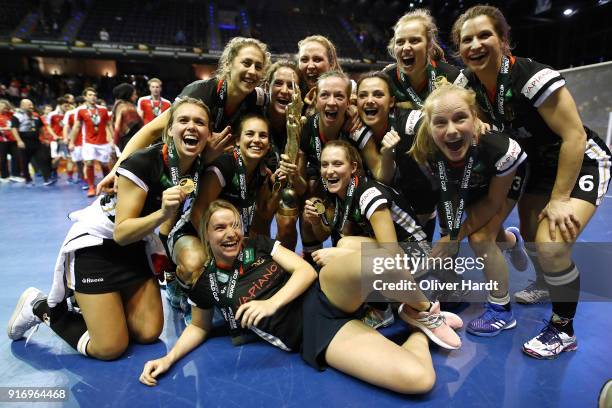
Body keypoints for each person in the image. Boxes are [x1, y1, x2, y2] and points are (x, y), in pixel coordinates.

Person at [140, 200, 441, 395]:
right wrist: (168, 358)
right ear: (207, 234)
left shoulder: (257, 244)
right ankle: (417, 327)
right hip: (314, 333)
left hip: (324, 290)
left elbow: (304, 271)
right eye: (220, 227)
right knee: (419, 380)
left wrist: (271, 303)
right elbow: (199, 326)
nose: (231, 233)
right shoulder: (205, 283)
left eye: (235, 224)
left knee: (376, 261)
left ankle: (427, 311)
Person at [453, 5, 611, 358]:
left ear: (503, 40)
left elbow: (573, 136)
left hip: (579, 159)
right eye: (467, 40)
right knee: (527, 231)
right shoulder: (467, 83)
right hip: (533, 164)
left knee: (552, 244)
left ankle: (562, 329)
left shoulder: (531, 77)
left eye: (484, 35)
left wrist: (559, 199)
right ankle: (542, 282)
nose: (475, 44)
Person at [7, 97, 210, 360]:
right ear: (169, 129)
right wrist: (163, 213)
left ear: (209, 132)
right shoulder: (142, 162)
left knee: (148, 333)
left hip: (136, 247)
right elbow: (121, 232)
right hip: (99, 248)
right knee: (110, 348)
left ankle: (93, 305)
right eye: (183, 120)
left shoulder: (197, 165)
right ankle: (39, 306)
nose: (192, 126)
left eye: (200, 122)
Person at [303, 140, 462, 346]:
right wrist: (316, 222)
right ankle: (389, 306)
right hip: (397, 259)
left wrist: (343, 257)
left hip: (417, 256)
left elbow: (392, 255)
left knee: (344, 249)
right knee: (345, 244)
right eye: (325, 165)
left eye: (337, 164)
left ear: (353, 167)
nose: (329, 171)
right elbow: (325, 235)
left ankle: (414, 310)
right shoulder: (340, 194)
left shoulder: (369, 194)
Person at [409, 83, 528, 336]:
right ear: (428, 126)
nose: (451, 131)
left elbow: (493, 203)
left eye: (460, 118)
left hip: (500, 182)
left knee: (480, 238)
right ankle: (511, 239)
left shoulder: (500, 148)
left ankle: (502, 309)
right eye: (440, 122)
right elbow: (445, 191)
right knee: (478, 231)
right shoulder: (425, 148)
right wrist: (448, 233)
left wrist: (454, 237)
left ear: (475, 117)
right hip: (468, 181)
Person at [96, 36, 270, 195]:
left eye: (258, 66)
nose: (253, 71)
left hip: (202, 171)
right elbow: (150, 131)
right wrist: (117, 170)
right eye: (246, 63)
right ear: (229, 64)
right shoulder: (200, 92)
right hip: (165, 166)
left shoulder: (256, 99)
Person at [382, 9, 463, 110]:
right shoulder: (386, 78)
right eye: (400, 42)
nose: (406, 47)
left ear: (429, 45)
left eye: (414, 40)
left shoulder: (452, 76)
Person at [69, 87, 113, 197]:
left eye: (94, 95)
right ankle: (91, 187)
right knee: (88, 163)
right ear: (85, 97)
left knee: (104, 165)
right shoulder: (80, 110)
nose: (93, 97)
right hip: (88, 142)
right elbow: (76, 126)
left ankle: (107, 185)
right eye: (90, 95)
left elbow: (108, 125)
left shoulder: (103, 109)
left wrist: (112, 140)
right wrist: (71, 142)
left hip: (103, 143)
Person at [13, 99, 54, 185]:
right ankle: (28, 179)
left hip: (36, 141)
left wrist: (44, 138)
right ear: (22, 106)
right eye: (29, 105)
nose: (31, 107)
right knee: (25, 161)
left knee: (43, 159)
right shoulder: (16, 116)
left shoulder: (36, 115)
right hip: (24, 142)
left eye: (31, 105)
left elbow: (41, 128)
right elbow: (14, 129)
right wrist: (19, 141)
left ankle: (47, 179)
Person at [112, 83, 143, 153]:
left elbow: (117, 126)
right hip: (130, 142)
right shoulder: (128, 108)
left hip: (122, 141)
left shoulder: (118, 105)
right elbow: (135, 127)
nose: (136, 96)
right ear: (128, 95)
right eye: (134, 94)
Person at [0, 99, 25, 182]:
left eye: (6, 107)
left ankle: (15, 175)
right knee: (2, 159)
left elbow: (19, 115)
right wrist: (7, 128)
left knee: (16, 156)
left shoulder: (11, 114)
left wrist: (16, 110)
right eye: (3, 107)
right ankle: (4, 176)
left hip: (13, 139)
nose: (5, 109)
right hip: (2, 141)